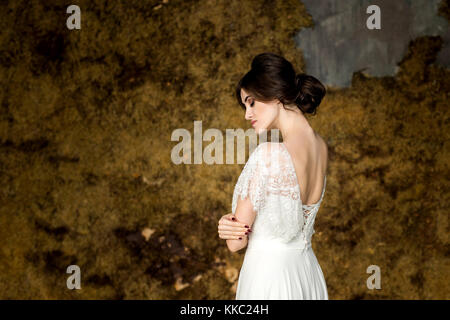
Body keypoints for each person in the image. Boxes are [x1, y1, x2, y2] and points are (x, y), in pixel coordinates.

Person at [217, 52, 329, 299]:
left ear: (276, 95)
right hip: (307, 274)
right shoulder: (320, 147)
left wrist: (228, 225)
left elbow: (236, 243)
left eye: (251, 102)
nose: (247, 114)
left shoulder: (269, 154)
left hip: (271, 278)